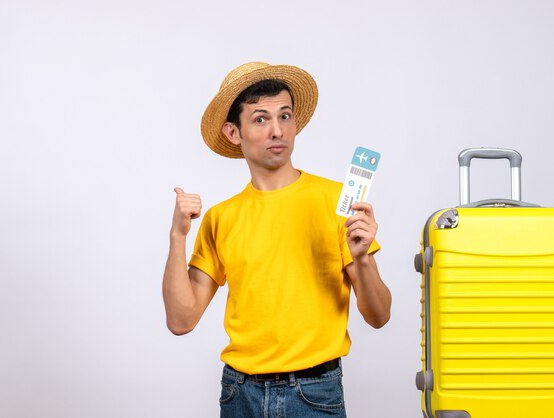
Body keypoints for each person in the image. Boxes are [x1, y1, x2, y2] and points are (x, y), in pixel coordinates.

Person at [162, 61, 391, 418]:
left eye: (285, 116)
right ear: (233, 133)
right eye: (260, 119)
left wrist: (361, 259)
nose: (277, 131)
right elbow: (181, 320)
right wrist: (178, 237)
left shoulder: (338, 202)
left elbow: (379, 316)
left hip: (315, 393)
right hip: (240, 394)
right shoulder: (222, 218)